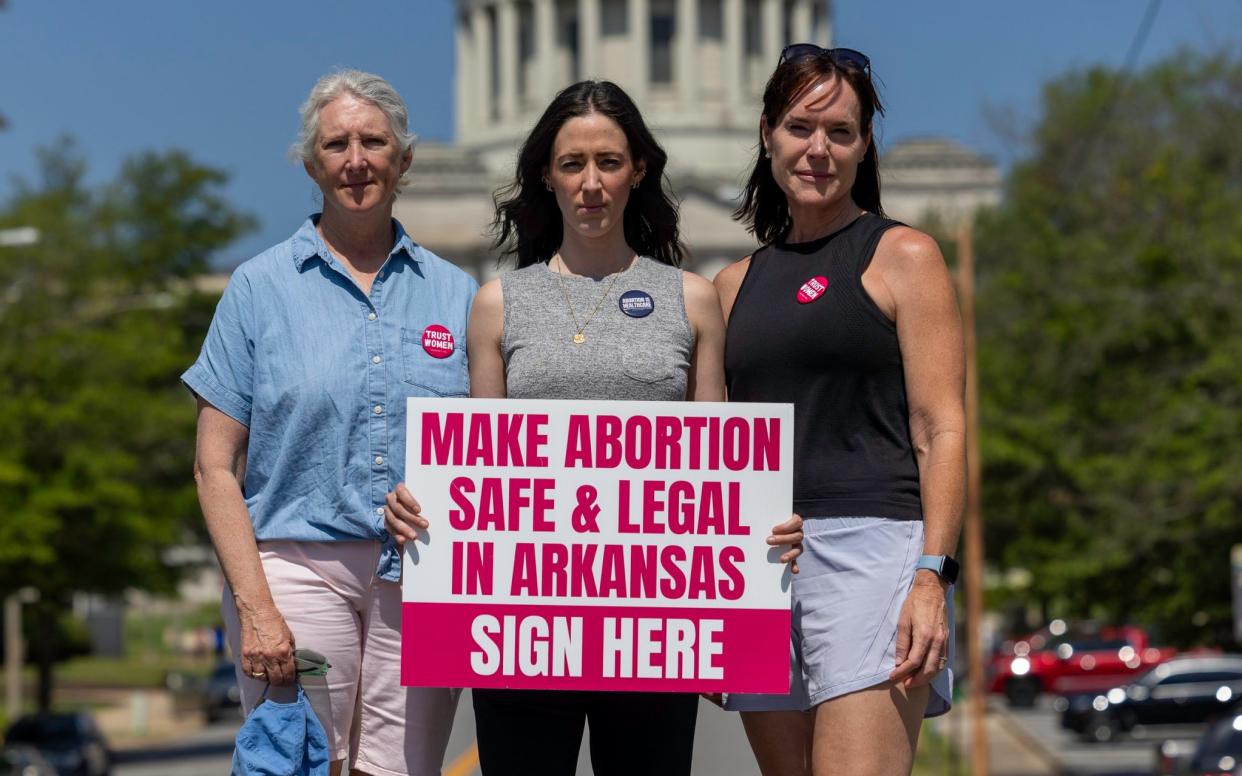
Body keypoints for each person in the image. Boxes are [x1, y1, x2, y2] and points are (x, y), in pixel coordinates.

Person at [383, 79, 802, 776]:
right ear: (546, 175)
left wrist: (764, 528)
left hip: (653, 631)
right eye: (572, 164)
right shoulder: (496, 305)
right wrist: (423, 507)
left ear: (639, 169)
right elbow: (480, 468)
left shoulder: (693, 301)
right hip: (523, 632)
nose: (591, 184)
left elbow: (719, 468)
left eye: (609, 162)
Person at [184, 70, 476, 776]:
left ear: (403, 161)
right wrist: (255, 608)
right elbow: (213, 466)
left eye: (373, 142)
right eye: (336, 144)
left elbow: (492, 451)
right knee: (305, 765)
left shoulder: (458, 293)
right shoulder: (257, 288)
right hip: (296, 566)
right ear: (311, 164)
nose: (356, 160)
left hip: (421, 575)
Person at [714, 45, 965, 776]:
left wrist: (932, 576)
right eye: (800, 127)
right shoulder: (733, 285)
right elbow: (707, 451)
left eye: (841, 133)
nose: (818, 149)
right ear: (768, 135)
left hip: (873, 554)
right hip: (762, 565)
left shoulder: (904, 257)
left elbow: (940, 428)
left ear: (864, 147)